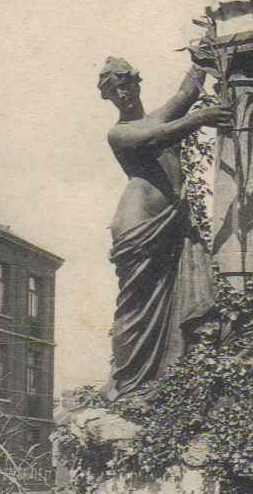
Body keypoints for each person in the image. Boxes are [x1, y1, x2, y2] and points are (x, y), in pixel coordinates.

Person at [97, 56, 232, 401]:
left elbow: (186, 93)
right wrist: (202, 118)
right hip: (140, 226)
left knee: (159, 304)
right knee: (136, 308)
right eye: (115, 89)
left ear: (138, 83)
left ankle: (159, 382)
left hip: (165, 224)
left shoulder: (155, 116)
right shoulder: (120, 132)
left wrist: (201, 57)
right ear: (107, 97)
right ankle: (128, 383)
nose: (124, 92)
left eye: (127, 83)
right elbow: (156, 137)